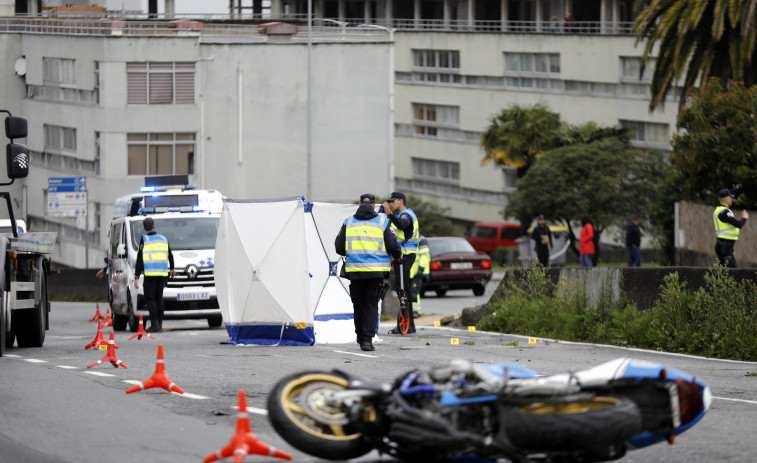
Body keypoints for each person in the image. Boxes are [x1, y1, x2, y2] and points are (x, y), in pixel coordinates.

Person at [335, 194, 402, 351]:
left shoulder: (348, 222)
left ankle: (360, 336)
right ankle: (367, 340)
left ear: (359, 204)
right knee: (371, 305)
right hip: (375, 272)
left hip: (355, 271)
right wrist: (398, 255)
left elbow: (338, 247)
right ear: (373, 206)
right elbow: (392, 245)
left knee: (358, 305)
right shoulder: (383, 222)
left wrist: (353, 253)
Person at [382, 192, 420, 334]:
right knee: (404, 288)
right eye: (390, 202)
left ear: (401, 201)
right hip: (402, 256)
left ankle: (406, 325)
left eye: (393, 201)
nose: (391, 204)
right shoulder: (402, 215)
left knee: (402, 288)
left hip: (406, 256)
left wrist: (389, 214)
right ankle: (408, 326)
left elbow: (403, 225)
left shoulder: (406, 215)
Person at [134, 217, 176, 332]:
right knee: (159, 298)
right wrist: (172, 269)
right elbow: (170, 255)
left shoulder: (145, 240)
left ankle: (155, 324)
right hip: (162, 274)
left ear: (144, 228)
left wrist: (136, 277)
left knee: (150, 299)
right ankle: (160, 324)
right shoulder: (163, 239)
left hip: (150, 274)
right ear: (154, 226)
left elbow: (139, 260)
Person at [713, 188, 748, 268]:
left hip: (725, 247)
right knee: (733, 273)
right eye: (730, 197)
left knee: (726, 274)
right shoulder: (724, 212)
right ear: (726, 199)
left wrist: (731, 249)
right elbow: (738, 224)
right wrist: (744, 217)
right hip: (724, 248)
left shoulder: (719, 210)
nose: (732, 199)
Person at [410, 235, 430, 318]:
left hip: (417, 271)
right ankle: (410, 311)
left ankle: (415, 311)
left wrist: (421, 268)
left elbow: (425, 255)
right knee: (410, 291)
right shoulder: (407, 237)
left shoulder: (421, 239)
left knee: (414, 291)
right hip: (410, 271)